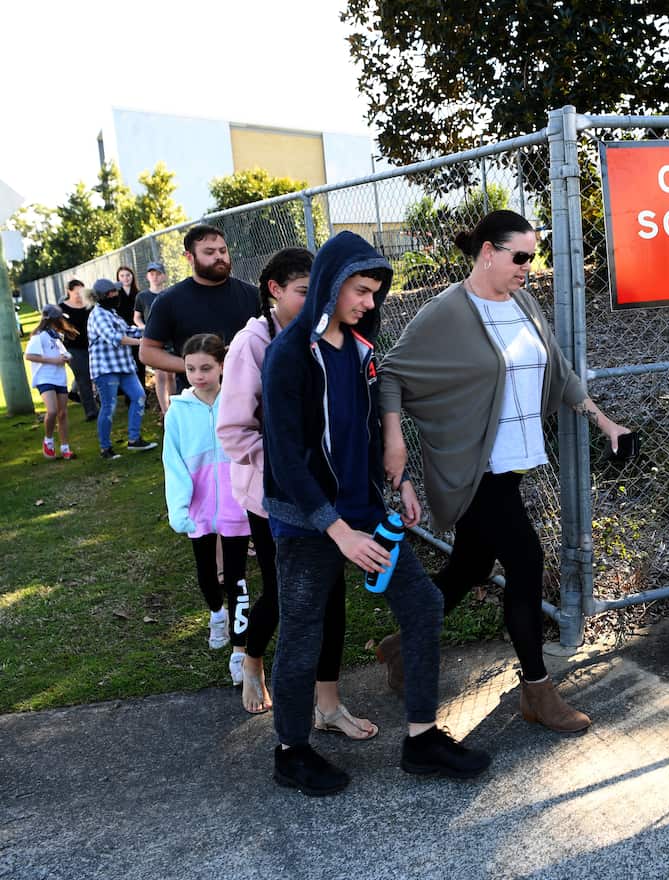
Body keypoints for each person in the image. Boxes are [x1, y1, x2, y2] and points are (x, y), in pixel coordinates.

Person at [379, 210, 631, 735]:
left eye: (532, 258)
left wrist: (604, 421)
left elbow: (557, 370)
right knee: (526, 561)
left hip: (512, 462)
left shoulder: (523, 302)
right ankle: (537, 691)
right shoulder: (447, 312)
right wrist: (396, 437)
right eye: (519, 257)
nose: (527, 267)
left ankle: (403, 644)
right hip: (475, 468)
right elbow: (392, 375)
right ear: (488, 253)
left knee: (470, 564)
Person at [262, 230, 489, 796]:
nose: (369, 303)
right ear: (331, 286)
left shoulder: (361, 352)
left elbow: (363, 436)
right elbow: (286, 459)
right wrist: (336, 530)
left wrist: (401, 482)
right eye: (360, 290)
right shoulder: (289, 354)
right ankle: (291, 752)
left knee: (423, 604)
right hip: (307, 520)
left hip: (363, 512)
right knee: (302, 634)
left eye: (374, 293)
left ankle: (421, 739)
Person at [218, 248, 372, 727]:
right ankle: (251, 659)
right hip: (273, 499)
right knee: (285, 597)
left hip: (326, 495)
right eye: (303, 292)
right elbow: (233, 432)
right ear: (275, 290)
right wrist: (292, 468)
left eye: (318, 291)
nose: (313, 302)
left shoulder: (333, 336)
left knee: (332, 596)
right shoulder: (254, 343)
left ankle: (328, 706)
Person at [163, 334, 252, 682]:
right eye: (190, 369)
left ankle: (240, 650)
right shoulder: (178, 412)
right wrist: (179, 506)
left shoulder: (239, 402)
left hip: (237, 504)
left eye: (205, 368)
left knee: (237, 577)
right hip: (197, 508)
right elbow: (173, 462)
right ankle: (217, 615)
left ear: (221, 366)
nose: (197, 375)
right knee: (206, 572)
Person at [141, 224, 260, 392]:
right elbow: (147, 352)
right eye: (209, 252)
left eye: (223, 251)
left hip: (250, 394)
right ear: (190, 257)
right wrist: (197, 366)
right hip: (198, 402)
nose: (219, 257)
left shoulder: (253, 295)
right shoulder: (168, 301)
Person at [87, 279, 156, 460]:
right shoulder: (98, 315)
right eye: (112, 293)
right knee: (109, 406)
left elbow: (128, 330)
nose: (116, 295)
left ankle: (134, 439)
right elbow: (115, 337)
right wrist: (140, 342)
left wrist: (148, 330)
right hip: (106, 368)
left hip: (124, 366)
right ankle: (105, 448)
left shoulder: (112, 313)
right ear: (103, 296)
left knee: (139, 396)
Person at [24, 304, 76, 460]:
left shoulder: (55, 335)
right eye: (59, 318)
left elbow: (62, 352)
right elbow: (29, 356)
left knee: (62, 413)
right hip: (44, 378)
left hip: (59, 377)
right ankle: (48, 440)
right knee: (52, 411)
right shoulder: (39, 336)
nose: (61, 321)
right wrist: (52, 360)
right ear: (53, 319)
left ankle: (65, 447)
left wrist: (66, 357)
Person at [135, 261, 174, 415]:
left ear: (163, 276)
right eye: (152, 274)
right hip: (154, 338)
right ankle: (165, 411)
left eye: (158, 273)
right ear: (147, 276)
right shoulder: (142, 296)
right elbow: (137, 317)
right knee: (160, 373)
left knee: (171, 373)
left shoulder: (170, 293)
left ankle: (174, 406)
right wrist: (143, 327)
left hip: (170, 338)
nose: (155, 277)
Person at [59, 280, 98, 421]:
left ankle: (97, 403)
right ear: (69, 292)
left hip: (92, 346)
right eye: (76, 293)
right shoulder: (62, 309)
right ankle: (91, 411)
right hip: (73, 348)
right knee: (83, 378)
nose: (79, 295)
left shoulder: (89, 306)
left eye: (81, 292)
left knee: (95, 376)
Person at [116, 266, 147, 393]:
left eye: (128, 275)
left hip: (138, 333)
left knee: (140, 363)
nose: (125, 278)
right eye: (122, 276)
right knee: (126, 366)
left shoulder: (139, 294)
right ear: (118, 278)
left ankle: (142, 393)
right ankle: (129, 394)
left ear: (132, 276)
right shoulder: (115, 295)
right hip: (122, 335)